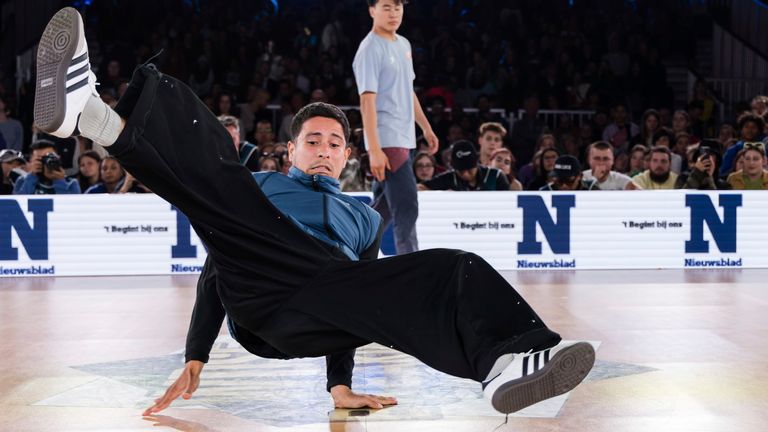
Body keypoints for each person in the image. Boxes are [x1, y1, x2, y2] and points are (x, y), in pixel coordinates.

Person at [34, 7, 594, 417]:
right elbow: (217, 268)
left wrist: (339, 387)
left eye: (334, 143)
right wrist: (196, 355)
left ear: (347, 156)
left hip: (310, 315)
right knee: (221, 182)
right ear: (292, 150)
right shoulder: (263, 187)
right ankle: (90, 113)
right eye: (313, 141)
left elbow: (359, 304)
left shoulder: (364, 221)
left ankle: (508, 361)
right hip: (258, 292)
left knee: (454, 267)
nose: (324, 149)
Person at [353, 0, 439, 255]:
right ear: (372, 10)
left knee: (383, 210)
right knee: (407, 207)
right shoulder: (369, 49)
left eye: (398, 7)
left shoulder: (403, 44)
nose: (393, 13)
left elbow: (407, 90)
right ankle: (412, 272)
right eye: (387, 7)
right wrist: (374, 148)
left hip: (405, 137)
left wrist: (426, 127)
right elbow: (367, 101)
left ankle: (351, 252)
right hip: (387, 138)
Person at [419, 141, 510, 191]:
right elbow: (420, 187)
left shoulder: (496, 176)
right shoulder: (449, 177)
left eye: (470, 170)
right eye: (461, 171)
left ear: (476, 164)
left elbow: (509, 201)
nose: (465, 174)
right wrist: (442, 195)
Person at [13, 140, 80, 194]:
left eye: (50, 157)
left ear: (58, 158)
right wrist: (32, 177)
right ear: (31, 161)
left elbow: (71, 208)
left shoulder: (71, 183)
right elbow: (17, 206)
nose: (47, 161)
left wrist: (60, 181)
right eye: (40, 159)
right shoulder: (22, 180)